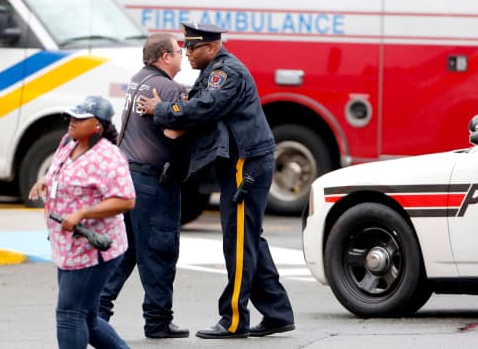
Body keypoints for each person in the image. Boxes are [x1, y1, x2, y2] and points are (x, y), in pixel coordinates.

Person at [136, 22, 295, 339]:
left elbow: (204, 107)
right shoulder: (213, 70)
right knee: (248, 238)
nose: (187, 54)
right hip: (241, 160)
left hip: (244, 164)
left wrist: (161, 109)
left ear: (211, 47)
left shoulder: (227, 73)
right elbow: (197, 99)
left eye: (192, 48)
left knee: (238, 241)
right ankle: (277, 312)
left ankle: (234, 320)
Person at [98, 33, 190, 339]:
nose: (182, 55)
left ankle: (97, 311)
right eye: (178, 51)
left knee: (127, 251)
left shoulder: (138, 78)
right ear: (164, 57)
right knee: (160, 250)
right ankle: (158, 321)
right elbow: (175, 133)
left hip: (129, 177)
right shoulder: (168, 87)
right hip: (153, 181)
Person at [28, 96, 135, 349]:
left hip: (93, 248)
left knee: (69, 314)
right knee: (87, 318)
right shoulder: (68, 143)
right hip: (67, 246)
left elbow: (126, 200)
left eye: (79, 118)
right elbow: (58, 168)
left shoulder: (108, 156)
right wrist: (45, 180)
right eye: (72, 117)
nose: (71, 122)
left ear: (97, 125)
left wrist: (82, 213)